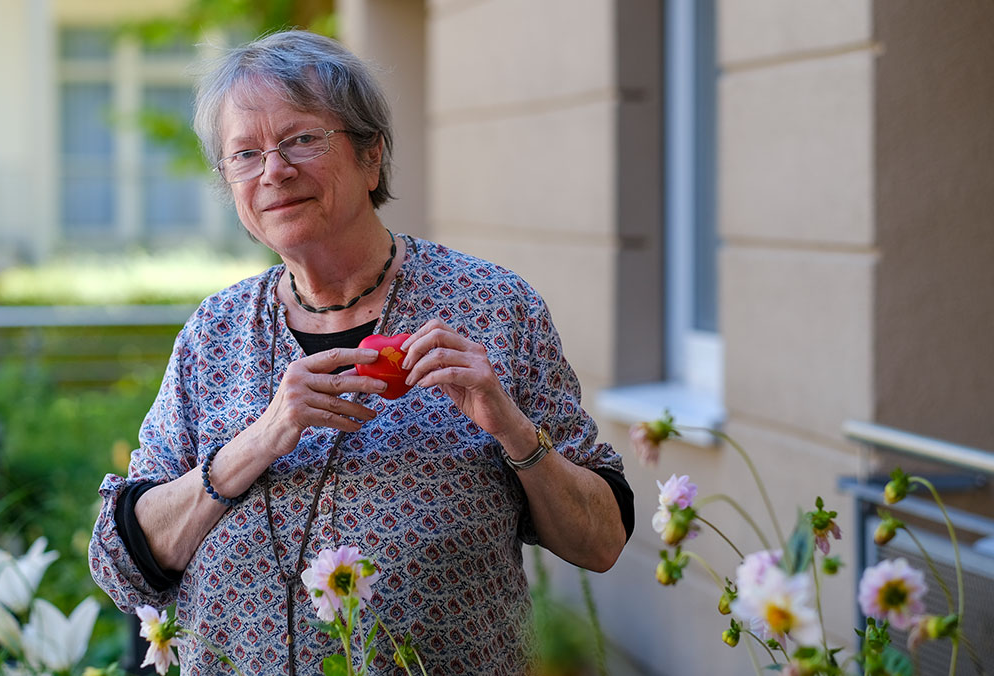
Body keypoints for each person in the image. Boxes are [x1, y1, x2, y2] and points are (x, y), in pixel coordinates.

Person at [89, 29, 634, 676]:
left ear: (371, 156)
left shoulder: (491, 307)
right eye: (246, 154)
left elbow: (602, 541)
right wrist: (259, 441)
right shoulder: (214, 334)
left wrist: (510, 427)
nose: (273, 171)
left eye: (301, 139)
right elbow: (122, 562)